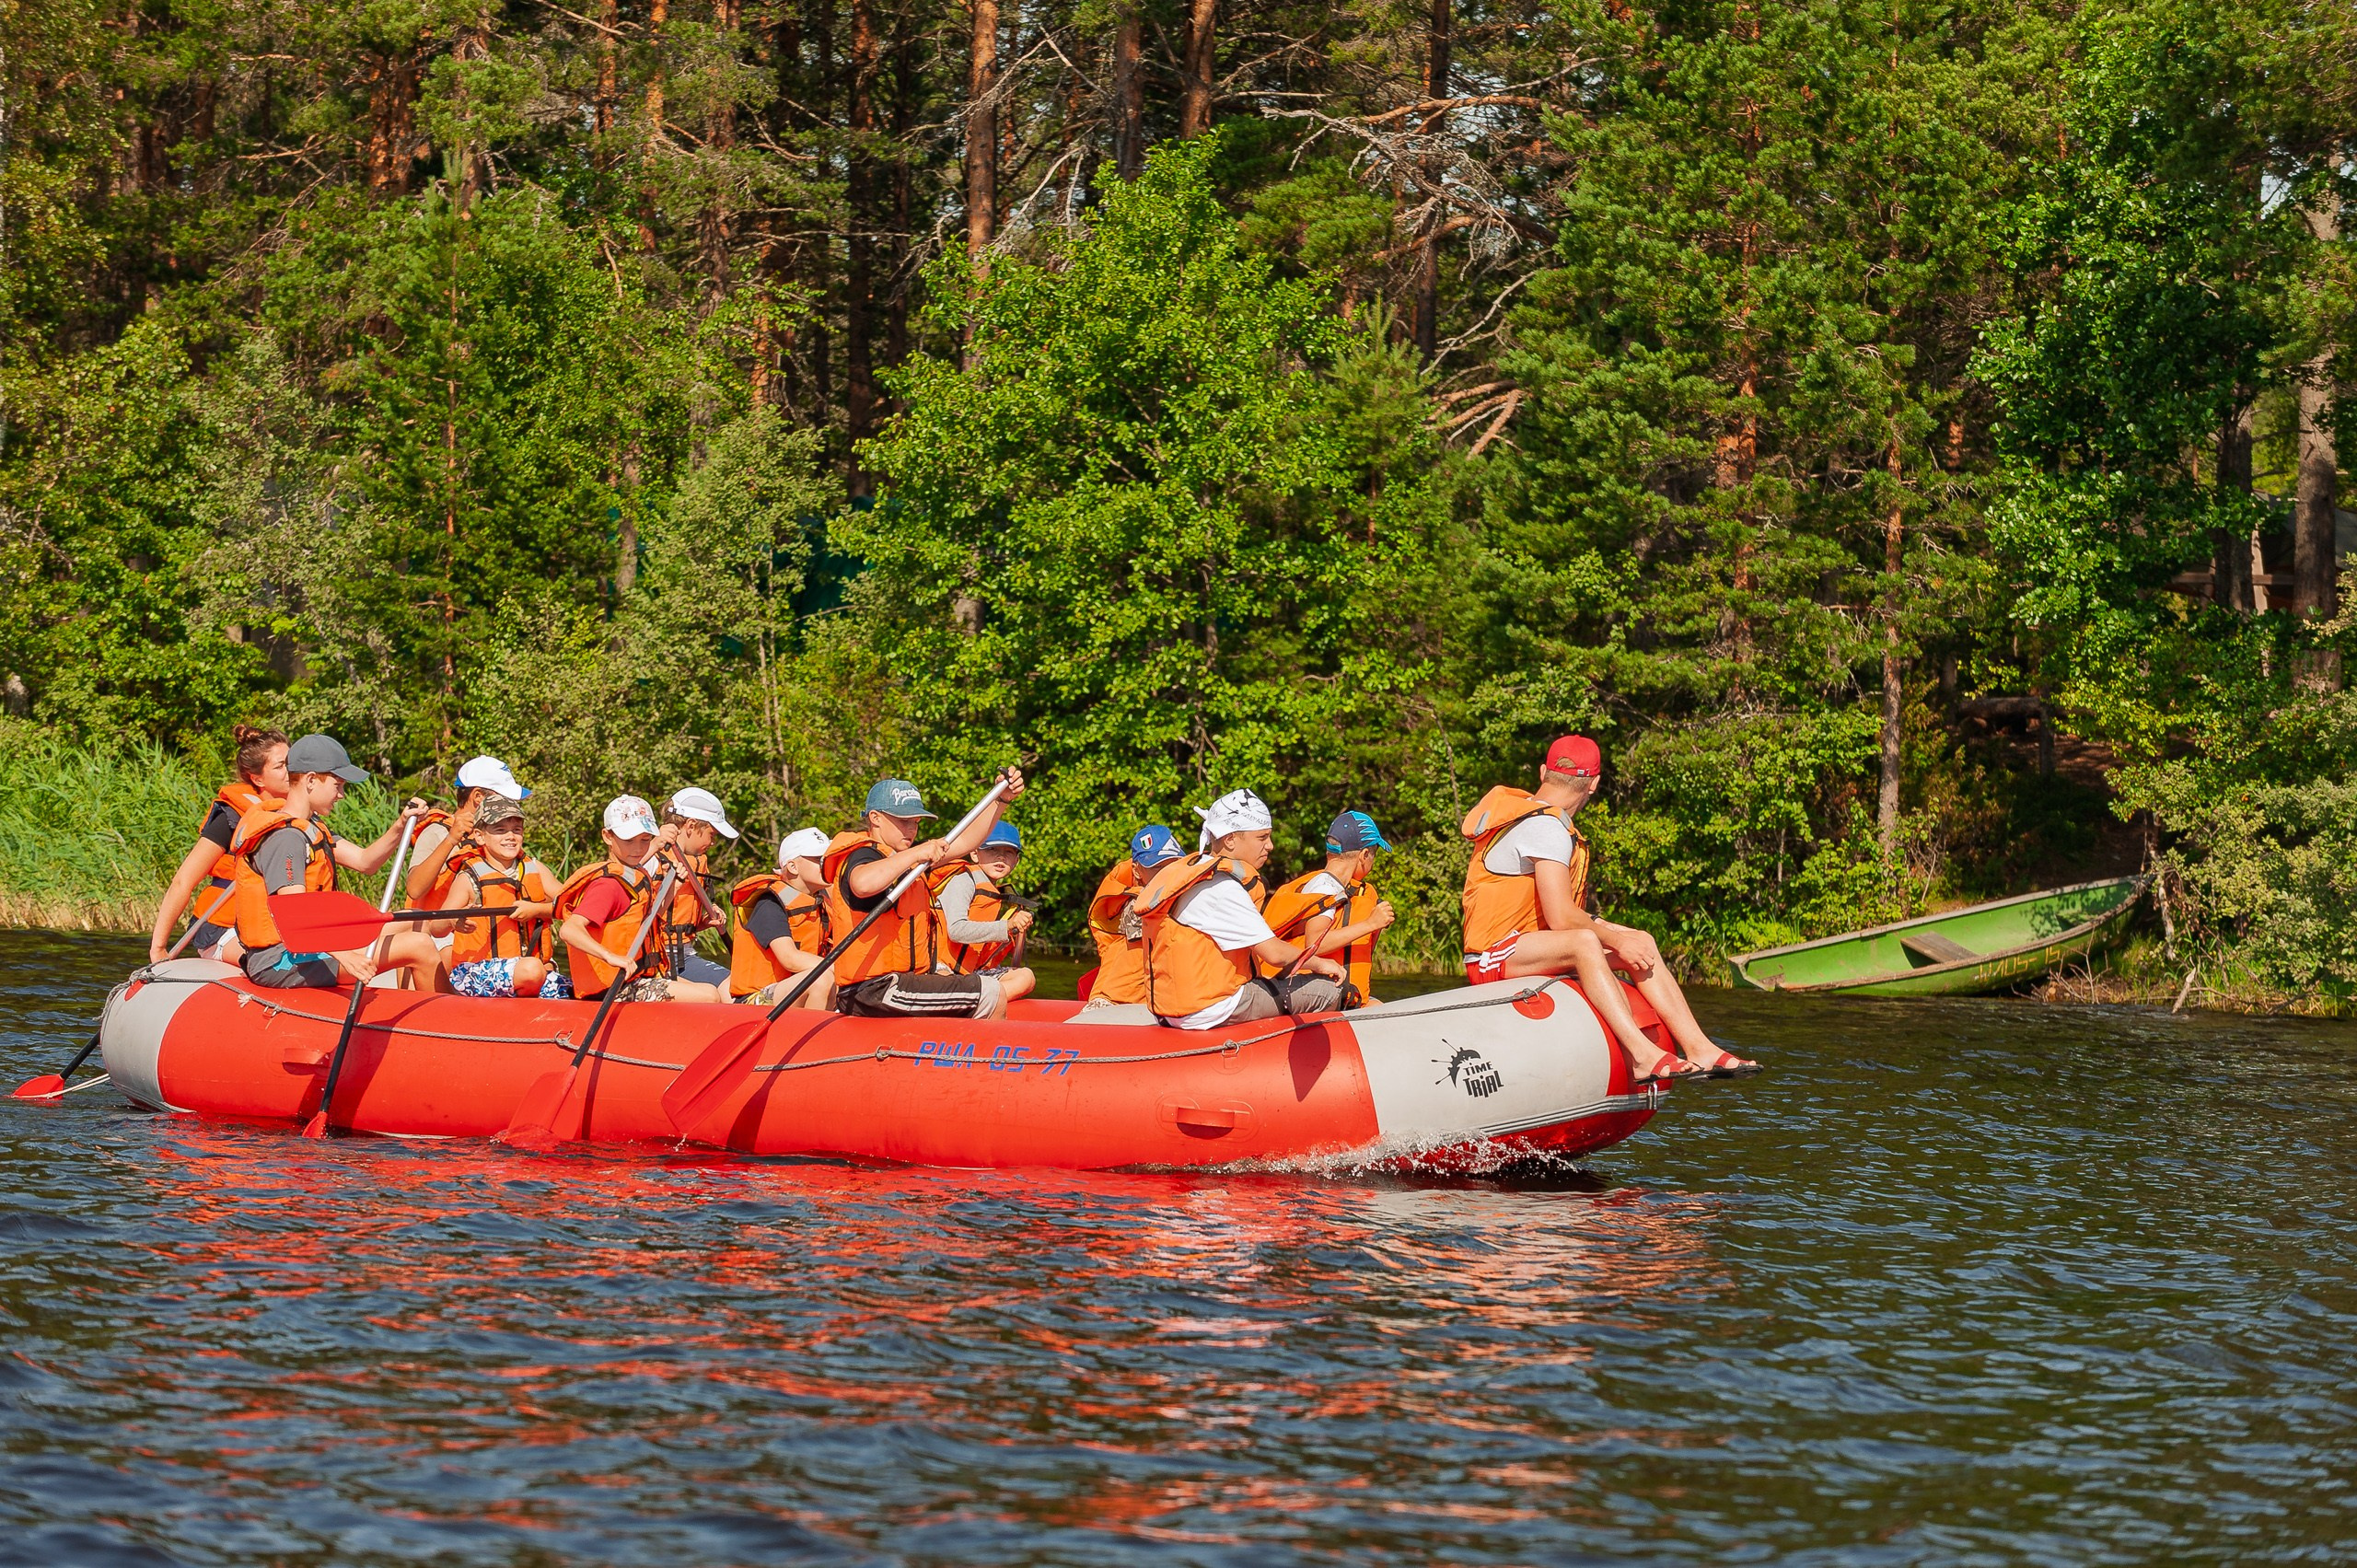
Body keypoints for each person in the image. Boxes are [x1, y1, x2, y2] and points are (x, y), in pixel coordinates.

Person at [1461, 735, 1757, 1078]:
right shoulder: (1544, 826)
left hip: (1531, 948)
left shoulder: (1544, 820)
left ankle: (1700, 1048)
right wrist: (1615, 940)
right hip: (1491, 956)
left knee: (1640, 940)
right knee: (1589, 941)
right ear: (1594, 784)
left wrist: (1623, 937)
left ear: (1544, 772)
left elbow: (1560, 917)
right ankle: (1642, 1054)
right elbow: (1561, 918)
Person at [230, 734, 439, 992]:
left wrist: (401, 825)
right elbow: (293, 915)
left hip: (312, 946)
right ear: (310, 780)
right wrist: (344, 954)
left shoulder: (311, 827)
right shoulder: (286, 838)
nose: (341, 795)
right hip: (279, 960)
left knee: (415, 919)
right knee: (419, 945)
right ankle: (448, 1025)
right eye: (337, 785)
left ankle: (413, 1007)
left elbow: (366, 862)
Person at [822, 771, 1027, 1019]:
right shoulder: (864, 856)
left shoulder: (906, 862)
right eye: (903, 821)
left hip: (904, 981)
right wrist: (917, 853)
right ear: (875, 818)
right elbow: (863, 884)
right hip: (875, 989)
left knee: (1004, 982)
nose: (912, 829)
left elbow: (967, 842)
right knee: (990, 990)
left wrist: (1001, 801)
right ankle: (989, 1057)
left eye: (916, 822)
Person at [1140, 788, 1349, 1028]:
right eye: (1262, 837)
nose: (1270, 846)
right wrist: (1322, 963)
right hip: (1214, 1009)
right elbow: (1275, 954)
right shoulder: (1221, 888)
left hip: (1175, 1011)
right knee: (1328, 991)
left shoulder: (1197, 873)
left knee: (1283, 980)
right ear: (1230, 839)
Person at [552, 796, 728, 1005]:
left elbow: (652, 918)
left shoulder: (637, 876)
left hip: (639, 977)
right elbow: (569, 930)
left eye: (645, 840)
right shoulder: (608, 884)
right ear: (608, 836)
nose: (637, 848)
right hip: (616, 986)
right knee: (708, 996)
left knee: (710, 991)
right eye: (629, 840)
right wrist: (610, 957)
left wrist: (674, 886)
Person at [150, 724, 289, 966]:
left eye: (292, 761)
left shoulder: (300, 818)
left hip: (271, 927)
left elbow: (360, 860)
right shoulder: (231, 818)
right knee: (274, 961)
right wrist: (159, 947)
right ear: (257, 778)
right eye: (281, 765)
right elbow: (184, 880)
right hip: (223, 929)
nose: (292, 770)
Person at [431, 795, 566, 999]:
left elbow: (570, 906)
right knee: (531, 970)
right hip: (475, 973)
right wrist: (455, 921)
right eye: (500, 830)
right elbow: (436, 928)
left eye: (516, 830)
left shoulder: (535, 869)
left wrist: (537, 910)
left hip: (530, 969)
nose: (510, 836)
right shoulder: (469, 877)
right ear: (480, 836)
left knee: (572, 989)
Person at [1260, 810, 1398, 1007]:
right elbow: (1315, 942)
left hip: (1317, 990)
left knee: (1379, 1007)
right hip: (1304, 991)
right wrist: (1370, 924)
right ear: (1364, 855)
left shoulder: (1330, 885)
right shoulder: (1325, 887)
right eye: (1374, 856)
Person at [929, 821, 1039, 1005]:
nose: (1001, 857)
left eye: (1008, 852)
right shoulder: (963, 881)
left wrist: (1018, 929)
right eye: (992, 849)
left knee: (1026, 977)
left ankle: (978, 1000)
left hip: (972, 973)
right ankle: (977, 1000)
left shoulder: (1002, 897)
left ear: (1016, 861)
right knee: (946, 978)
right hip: (941, 967)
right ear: (974, 853)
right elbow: (955, 930)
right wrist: (1007, 925)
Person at [728, 827, 837, 1010]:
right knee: (822, 979)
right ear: (793, 866)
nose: (826, 865)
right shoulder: (769, 902)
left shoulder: (821, 901)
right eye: (818, 860)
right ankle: (810, 1038)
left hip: (791, 990)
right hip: (754, 1002)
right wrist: (843, 969)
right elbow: (789, 958)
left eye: (827, 859)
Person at [404, 755, 531, 911]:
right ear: (478, 797)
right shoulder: (438, 832)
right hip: (438, 931)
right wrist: (451, 840)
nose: (511, 806)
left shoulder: (497, 838)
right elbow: (414, 890)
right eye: (504, 798)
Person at [1081, 825, 1181, 1008]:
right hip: (1114, 1003)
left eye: (1173, 866)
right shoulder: (1140, 905)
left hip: (1135, 1000)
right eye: (1158, 868)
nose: (1167, 874)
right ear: (1136, 871)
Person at [657, 787, 737, 989]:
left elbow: (678, 922)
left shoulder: (697, 862)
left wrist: (703, 923)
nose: (713, 843)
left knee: (739, 984)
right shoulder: (653, 858)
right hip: (661, 958)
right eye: (712, 834)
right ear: (691, 825)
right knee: (731, 987)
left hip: (686, 955)